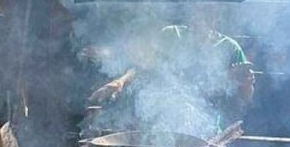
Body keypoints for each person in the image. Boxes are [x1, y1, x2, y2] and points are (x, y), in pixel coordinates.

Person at [86, 20, 256, 136]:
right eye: (198, 7)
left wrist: (247, 86)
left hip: (206, 133)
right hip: (161, 128)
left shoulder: (230, 48)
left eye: (210, 9)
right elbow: (144, 68)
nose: (203, 14)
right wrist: (120, 82)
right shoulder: (171, 35)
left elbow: (245, 99)